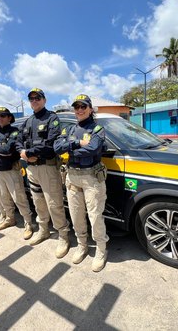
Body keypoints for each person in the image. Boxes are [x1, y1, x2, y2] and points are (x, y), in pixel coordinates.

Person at [54, 94, 109, 272]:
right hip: (71, 176)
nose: (79, 110)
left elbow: (93, 149)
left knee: (95, 217)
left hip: (91, 178)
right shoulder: (69, 129)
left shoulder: (98, 129)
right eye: (76, 107)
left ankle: (101, 250)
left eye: (83, 107)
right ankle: (82, 246)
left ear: (90, 109)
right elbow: (57, 147)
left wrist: (69, 150)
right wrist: (78, 143)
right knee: (76, 214)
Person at [16, 88, 70, 259]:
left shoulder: (52, 118)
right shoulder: (28, 121)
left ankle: (63, 237)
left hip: (47, 168)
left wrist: (29, 153)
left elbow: (51, 143)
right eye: (31, 98)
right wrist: (23, 153)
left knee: (54, 203)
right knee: (38, 201)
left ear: (44, 100)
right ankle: (44, 230)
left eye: (37, 98)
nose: (34, 100)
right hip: (32, 169)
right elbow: (17, 141)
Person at [0, 107, 33, 238]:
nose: (0, 118)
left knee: (19, 198)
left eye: (3, 115)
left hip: (12, 170)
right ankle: (10, 219)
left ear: (9, 118)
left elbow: (7, 149)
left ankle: (28, 224)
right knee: (4, 198)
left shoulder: (14, 132)